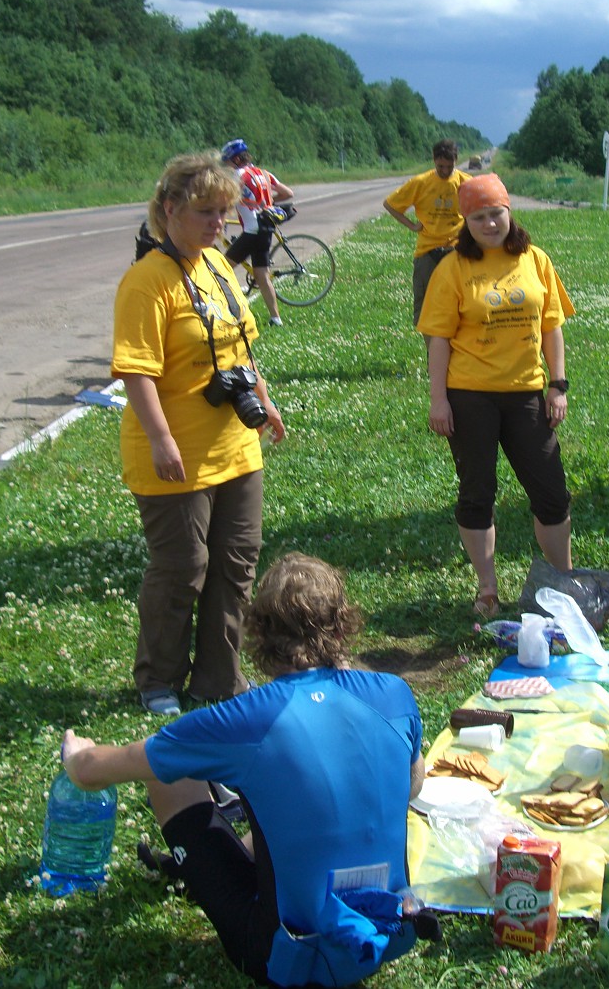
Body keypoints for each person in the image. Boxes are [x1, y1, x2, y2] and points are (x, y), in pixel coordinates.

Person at [58, 553, 431, 988]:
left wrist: (77, 755)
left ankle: (210, 869)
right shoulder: (393, 694)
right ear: (342, 624)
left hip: (289, 957)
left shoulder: (247, 718)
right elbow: (412, 782)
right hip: (388, 933)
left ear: (258, 632)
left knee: (167, 775)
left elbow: (98, 771)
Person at [113, 152, 287, 716]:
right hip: (176, 452)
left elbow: (239, 346)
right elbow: (137, 371)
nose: (219, 223)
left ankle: (219, 678)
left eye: (224, 212)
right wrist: (161, 439)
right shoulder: (146, 282)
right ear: (170, 210)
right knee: (183, 568)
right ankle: (158, 679)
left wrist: (264, 400)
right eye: (207, 211)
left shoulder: (217, 265)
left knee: (236, 562)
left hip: (236, 444)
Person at [418, 173, 573, 618]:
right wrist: (438, 400)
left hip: (526, 393)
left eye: (496, 214)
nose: (489, 223)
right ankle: (488, 589)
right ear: (465, 221)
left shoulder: (535, 259)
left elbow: (552, 325)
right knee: (477, 492)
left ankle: (562, 579)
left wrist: (557, 385)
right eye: (479, 216)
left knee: (551, 492)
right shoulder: (452, 268)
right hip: (469, 397)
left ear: (510, 212)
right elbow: (439, 341)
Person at [384, 139, 471, 325]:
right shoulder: (421, 182)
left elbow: (480, 211)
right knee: (425, 311)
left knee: (461, 307)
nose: (445, 171)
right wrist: (412, 225)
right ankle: (433, 351)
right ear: (433, 160)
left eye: (450, 166)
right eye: (441, 166)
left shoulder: (466, 183)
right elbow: (390, 205)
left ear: (456, 161)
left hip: (457, 251)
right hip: (427, 252)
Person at [221, 138, 295, 328]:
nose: (226, 166)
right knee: (261, 274)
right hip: (266, 227)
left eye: (227, 161)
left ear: (237, 160)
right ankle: (276, 318)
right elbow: (288, 193)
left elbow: (227, 198)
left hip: (253, 229)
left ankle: (230, 313)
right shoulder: (263, 173)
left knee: (221, 269)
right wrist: (268, 203)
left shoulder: (239, 174)